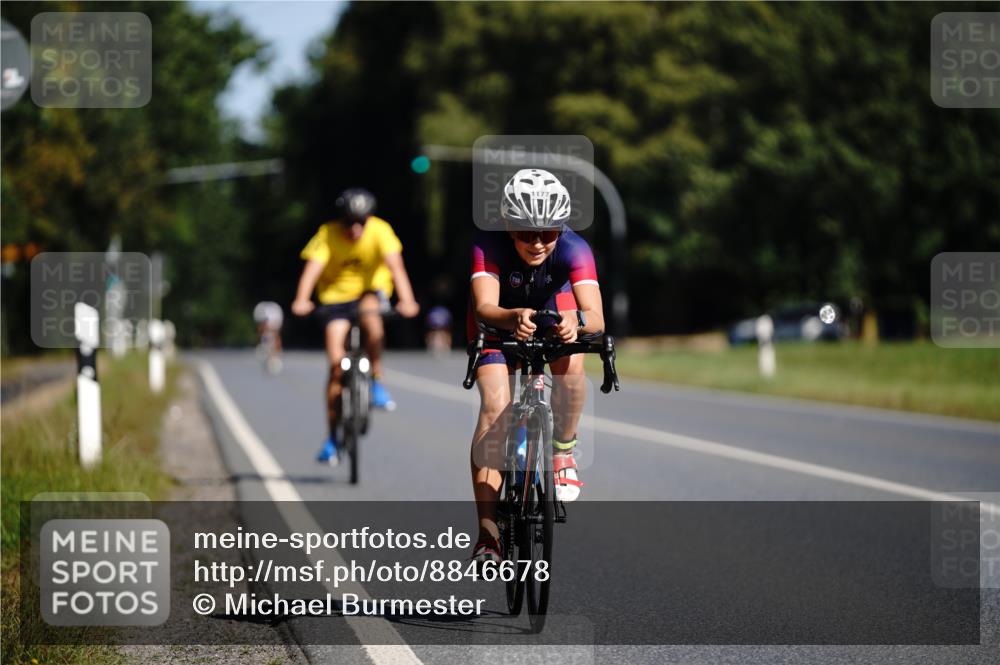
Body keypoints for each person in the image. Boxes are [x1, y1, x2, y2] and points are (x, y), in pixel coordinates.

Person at [466, 169, 605, 564]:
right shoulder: (488, 243)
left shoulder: (574, 247)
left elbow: (595, 316)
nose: (539, 243)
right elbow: (484, 307)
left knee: (572, 364)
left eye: (548, 233)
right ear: (509, 226)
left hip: (551, 312)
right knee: (496, 409)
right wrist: (512, 317)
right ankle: (488, 534)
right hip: (499, 320)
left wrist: (577, 321)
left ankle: (563, 450)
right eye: (527, 233)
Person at [291, 188, 420, 464]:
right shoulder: (327, 234)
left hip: (369, 293)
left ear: (369, 219)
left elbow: (395, 266)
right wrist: (301, 299)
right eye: (349, 222)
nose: (355, 228)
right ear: (341, 220)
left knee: (371, 318)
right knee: (336, 366)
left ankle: (376, 378)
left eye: (361, 221)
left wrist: (407, 299)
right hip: (335, 299)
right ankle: (331, 438)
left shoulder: (380, 231)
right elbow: (312, 268)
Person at [253, 301, 284, 373]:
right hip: (267, 317)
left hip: (275, 317)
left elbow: (277, 331)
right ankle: (264, 346)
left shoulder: (275, 312)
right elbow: (260, 328)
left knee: (276, 335)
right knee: (263, 332)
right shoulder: (261, 311)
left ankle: (277, 354)